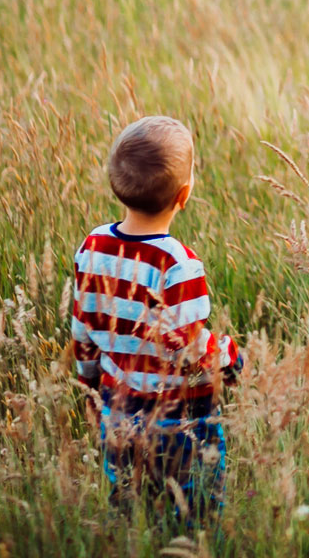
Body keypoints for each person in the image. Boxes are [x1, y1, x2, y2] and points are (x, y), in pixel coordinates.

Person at [69, 115, 242, 525]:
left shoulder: (92, 245)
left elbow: (83, 328)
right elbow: (192, 346)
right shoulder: (178, 264)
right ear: (184, 195)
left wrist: (89, 382)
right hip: (178, 416)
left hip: (117, 407)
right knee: (195, 508)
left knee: (129, 500)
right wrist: (231, 360)